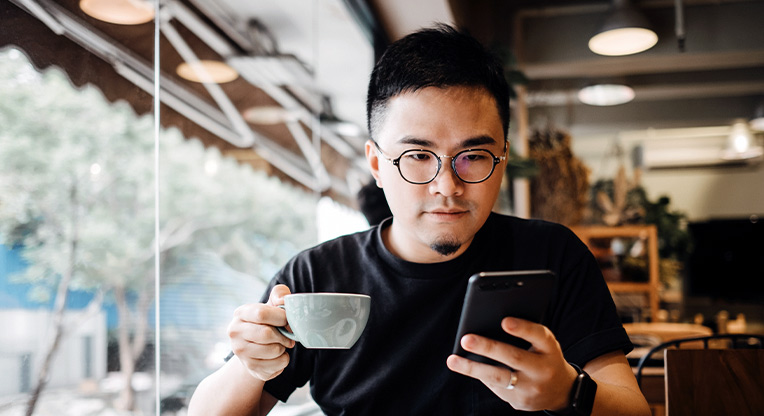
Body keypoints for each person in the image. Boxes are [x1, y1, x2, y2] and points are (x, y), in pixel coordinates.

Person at [188, 24, 650, 416]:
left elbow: (635, 408)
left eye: (473, 156)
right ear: (376, 164)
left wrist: (569, 392)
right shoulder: (317, 278)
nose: (446, 185)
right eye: (416, 155)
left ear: (503, 159)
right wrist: (250, 363)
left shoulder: (552, 255)